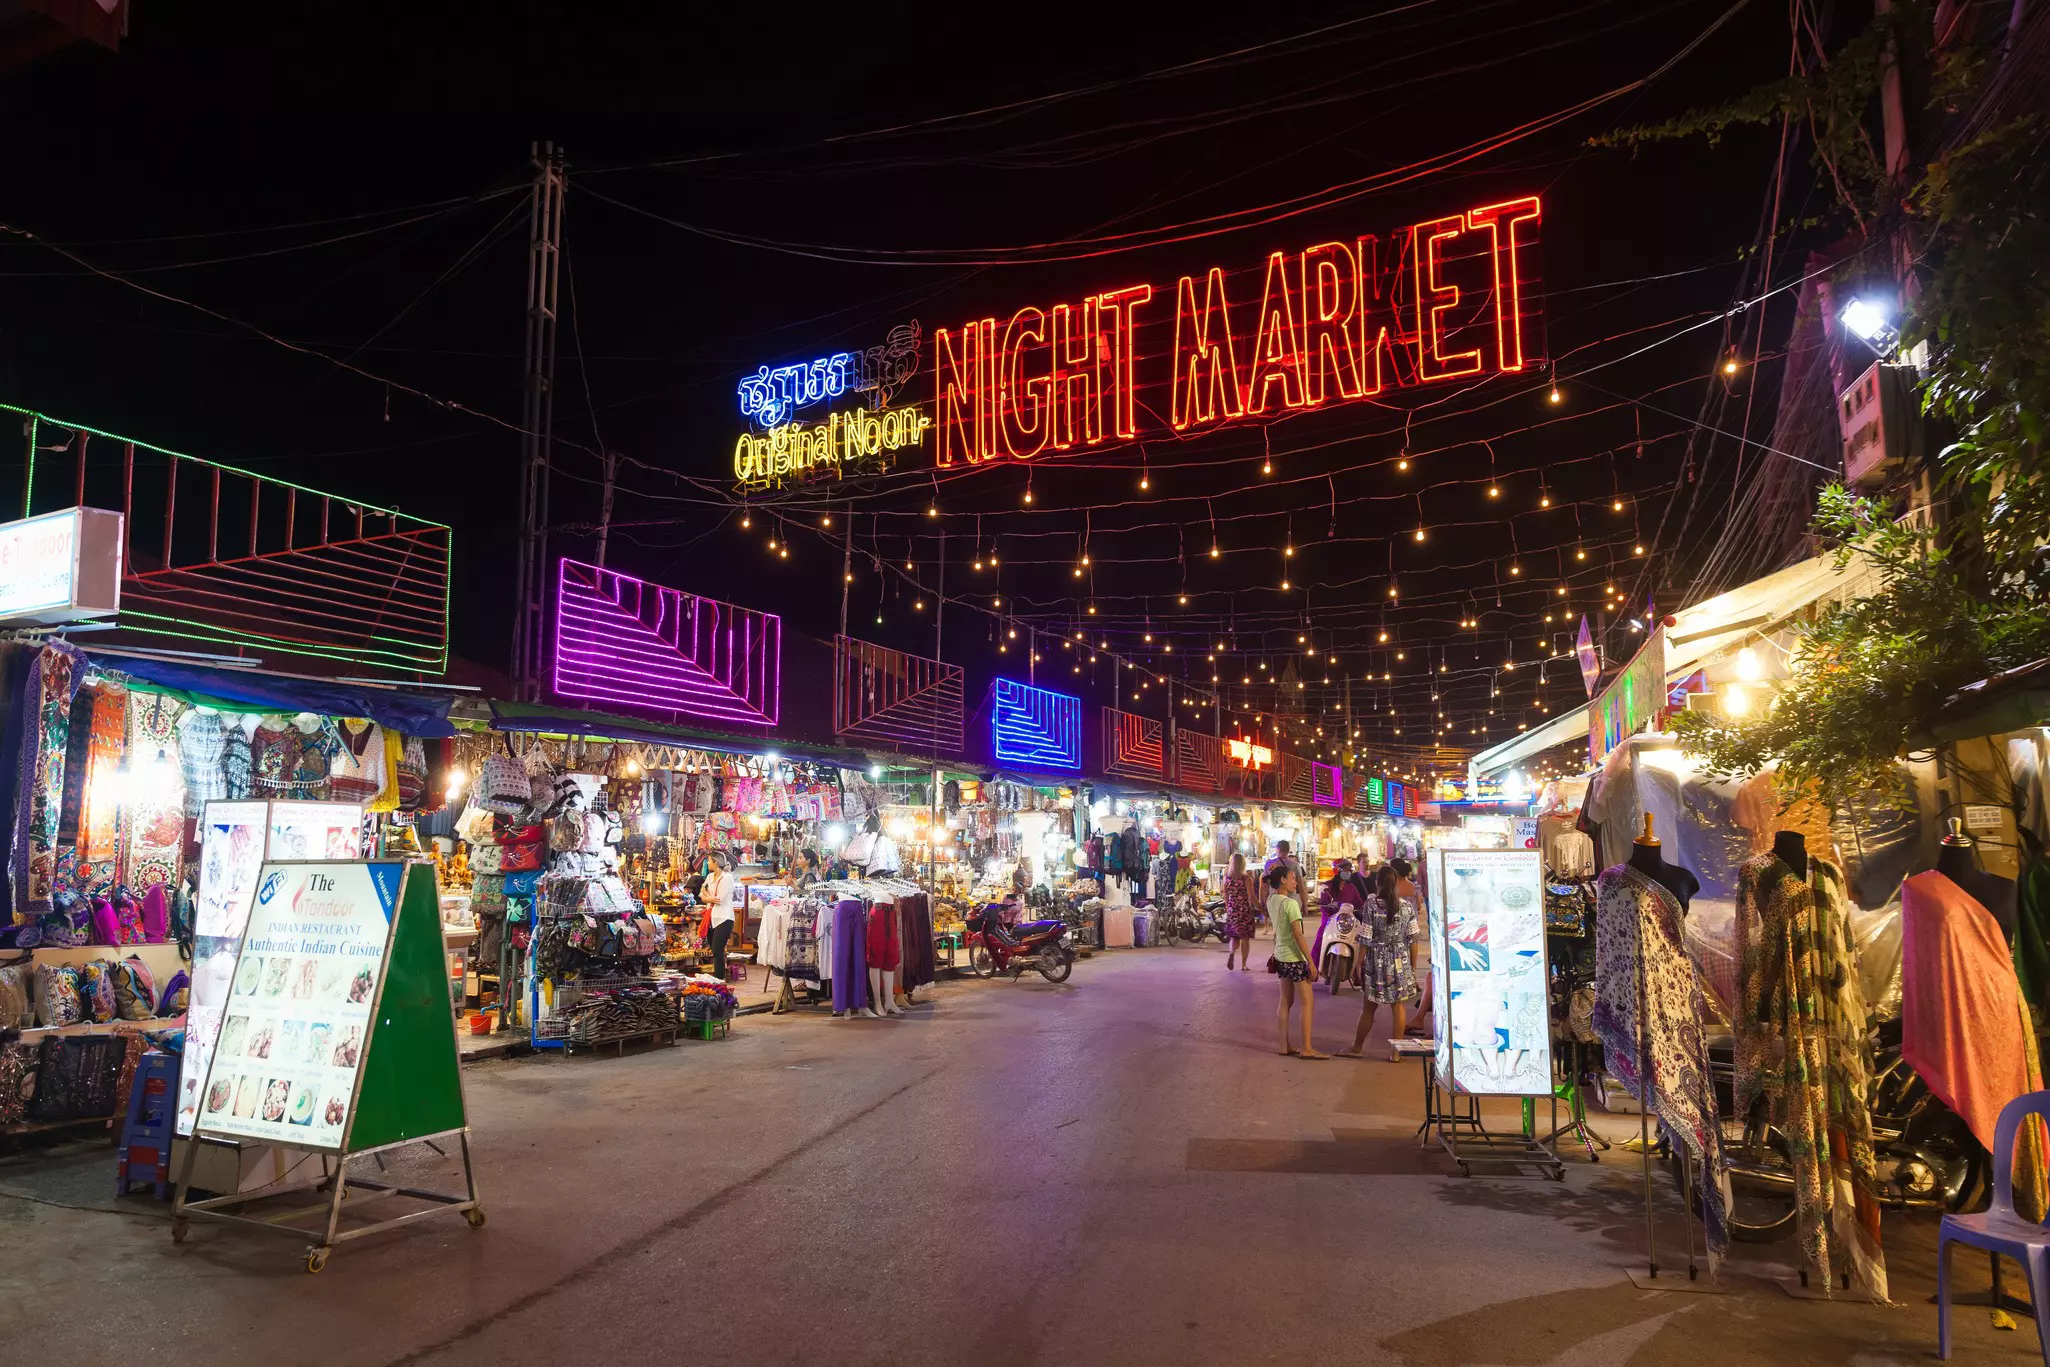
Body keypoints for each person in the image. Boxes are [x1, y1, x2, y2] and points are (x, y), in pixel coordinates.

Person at [1343, 863, 1420, 1059]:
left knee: (1369, 1007)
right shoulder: (1406, 907)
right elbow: (1413, 939)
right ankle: (1396, 1053)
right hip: (1399, 959)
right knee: (1398, 1006)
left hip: (1375, 960)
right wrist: (1412, 966)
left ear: (1377, 884)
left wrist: (1357, 964)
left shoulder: (1371, 905)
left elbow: (1365, 939)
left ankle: (1357, 1047)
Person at [1266, 863, 1326, 1058]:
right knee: (1307, 1002)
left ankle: (1284, 1045)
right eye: (1292, 878)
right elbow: (1298, 936)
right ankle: (1307, 1048)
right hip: (1294, 958)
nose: (1295, 882)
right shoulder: (1291, 904)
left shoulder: (1271, 900)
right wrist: (1311, 962)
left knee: (1285, 1002)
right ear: (1283, 880)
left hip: (1280, 956)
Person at [702, 852, 740, 979]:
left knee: (718, 949)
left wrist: (707, 897)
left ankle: (719, 978)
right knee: (714, 949)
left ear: (716, 862)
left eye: (709, 861)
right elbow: (701, 894)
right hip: (711, 917)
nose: (707, 863)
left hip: (724, 918)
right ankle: (717, 977)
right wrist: (708, 897)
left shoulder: (727, 877)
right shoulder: (709, 876)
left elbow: (720, 899)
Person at [1222, 852, 1259, 971]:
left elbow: (1225, 896)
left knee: (1234, 937)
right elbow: (1252, 897)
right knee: (1245, 938)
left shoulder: (1227, 878)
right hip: (1244, 910)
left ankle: (1232, 952)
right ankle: (1243, 964)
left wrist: (1228, 909)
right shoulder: (1246, 879)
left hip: (1232, 910)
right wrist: (1261, 908)